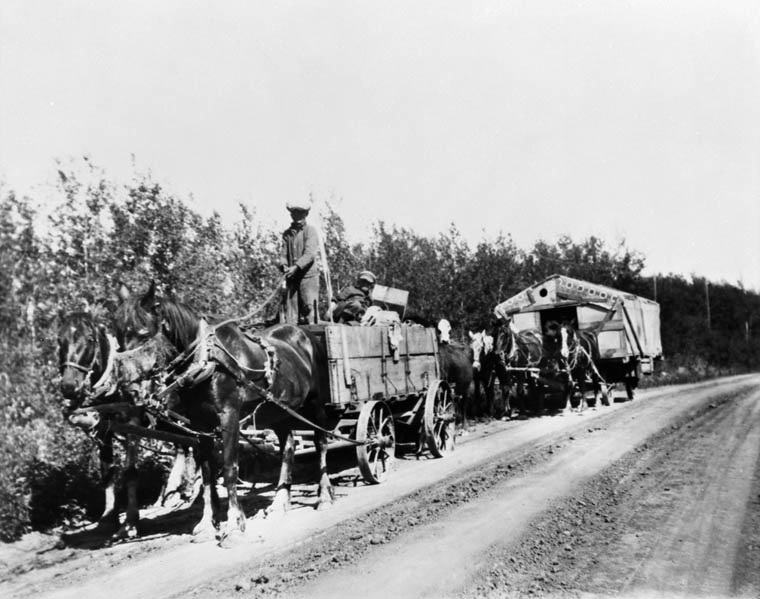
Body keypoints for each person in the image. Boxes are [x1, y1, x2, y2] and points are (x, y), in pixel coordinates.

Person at [279, 200, 320, 324]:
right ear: (291, 214)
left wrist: (296, 267)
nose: (297, 216)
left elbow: (310, 254)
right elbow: (283, 253)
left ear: (306, 214)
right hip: (292, 279)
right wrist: (284, 265)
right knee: (291, 315)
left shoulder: (310, 231)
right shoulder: (287, 234)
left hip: (308, 278)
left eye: (300, 213)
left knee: (309, 311)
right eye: (294, 213)